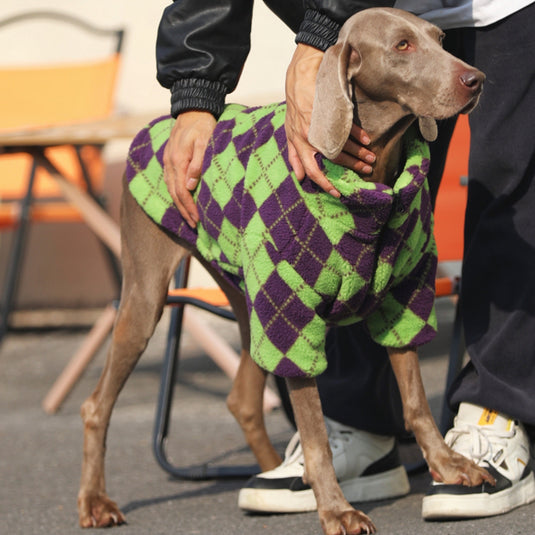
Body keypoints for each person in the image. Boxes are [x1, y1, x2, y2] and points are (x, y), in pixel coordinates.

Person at [156, 0, 535, 520]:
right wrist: (196, 93)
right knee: (351, 209)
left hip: (507, 9)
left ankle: (499, 408)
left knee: (510, 194)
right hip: (378, 13)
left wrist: (317, 39)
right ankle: (357, 423)